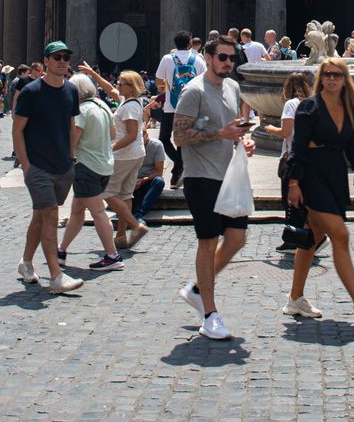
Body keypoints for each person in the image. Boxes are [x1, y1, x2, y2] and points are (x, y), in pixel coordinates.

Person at [283, 57, 354, 327]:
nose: (331, 78)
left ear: (344, 79)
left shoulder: (347, 108)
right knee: (340, 234)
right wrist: (294, 183)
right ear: (321, 77)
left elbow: (353, 148)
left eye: (337, 75)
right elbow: (298, 147)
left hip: (335, 176)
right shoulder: (309, 107)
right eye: (327, 74)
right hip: (311, 176)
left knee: (312, 238)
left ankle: (295, 299)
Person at [173, 33, 255, 341]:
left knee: (236, 239)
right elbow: (178, 137)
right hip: (200, 176)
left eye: (231, 58)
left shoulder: (233, 87)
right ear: (207, 58)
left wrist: (242, 139)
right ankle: (209, 314)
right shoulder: (193, 91)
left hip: (228, 174)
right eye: (222, 57)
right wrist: (219, 134)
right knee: (207, 242)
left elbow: (231, 128)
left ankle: (197, 288)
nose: (228, 63)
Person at [13, 41, 84, 295]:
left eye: (66, 57)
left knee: (40, 216)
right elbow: (17, 130)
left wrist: (72, 157)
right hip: (38, 167)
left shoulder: (71, 90)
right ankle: (56, 275)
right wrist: (26, 166)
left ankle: (26, 262)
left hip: (63, 165)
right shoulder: (31, 92)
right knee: (51, 215)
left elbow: (70, 124)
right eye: (57, 57)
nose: (63, 61)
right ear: (46, 61)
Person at [57, 74, 125, 272]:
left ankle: (113, 255)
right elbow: (113, 134)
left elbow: (73, 140)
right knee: (77, 210)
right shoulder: (102, 105)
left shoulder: (80, 111)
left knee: (98, 212)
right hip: (104, 165)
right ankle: (61, 249)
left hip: (86, 166)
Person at [86, 67, 148, 250]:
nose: (117, 85)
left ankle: (135, 226)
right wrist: (94, 74)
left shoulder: (129, 108)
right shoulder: (131, 100)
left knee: (105, 191)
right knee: (126, 194)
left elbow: (130, 135)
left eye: (121, 83)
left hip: (124, 156)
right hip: (136, 154)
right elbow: (109, 90)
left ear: (131, 87)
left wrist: (111, 147)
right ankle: (121, 236)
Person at [266, 70, 312, 251]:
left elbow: (286, 132)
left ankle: (294, 239)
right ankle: (309, 236)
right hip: (309, 157)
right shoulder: (311, 102)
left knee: (291, 200)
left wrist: (270, 129)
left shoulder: (291, 105)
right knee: (304, 200)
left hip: (291, 156)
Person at [154, 30, 204, 187]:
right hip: (190, 107)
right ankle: (180, 168)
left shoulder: (167, 59)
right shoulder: (198, 59)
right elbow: (205, 82)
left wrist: (164, 89)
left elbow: (158, 81)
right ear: (190, 42)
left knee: (164, 139)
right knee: (183, 140)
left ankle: (177, 168)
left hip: (170, 106)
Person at [132, 126, 167, 222]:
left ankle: (139, 213)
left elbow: (159, 171)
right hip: (133, 178)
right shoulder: (130, 145)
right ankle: (132, 212)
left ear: (146, 136)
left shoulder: (156, 145)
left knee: (159, 182)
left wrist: (144, 180)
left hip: (149, 179)